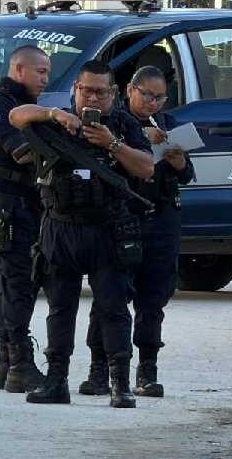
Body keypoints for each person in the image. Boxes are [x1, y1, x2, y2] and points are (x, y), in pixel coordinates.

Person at [9, 60, 154, 408]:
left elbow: (147, 168)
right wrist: (54, 115)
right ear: (75, 88)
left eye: (101, 92)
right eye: (86, 90)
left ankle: (120, 385)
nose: (92, 98)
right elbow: (16, 116)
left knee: (114, 309)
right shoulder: (57, 119)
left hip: (108, 228)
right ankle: (56, 381)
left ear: (113, 93)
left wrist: (112, 144)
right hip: (61, 227)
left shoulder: (123, 125)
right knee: (60, 309)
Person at [78, 65, 194, 398]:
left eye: (159, 98)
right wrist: (140, 140)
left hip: (162, 219)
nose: (152, 103)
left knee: (153, 298)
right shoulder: (113, 122)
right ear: (130, 90)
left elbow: (187, 175)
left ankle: (148, 369)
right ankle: (99, 369)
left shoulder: (167, 125)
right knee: (109, 297)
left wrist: (177, 160)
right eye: (147, 95)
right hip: (122, 218)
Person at [0, 45, 50, 393]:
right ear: (18, 70)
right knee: (17, 282)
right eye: (40, 72)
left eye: (47, 73)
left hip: (20, 204)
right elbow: (21, 152)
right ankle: (19, 363)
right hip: (6, 205)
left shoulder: (22, 106)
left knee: (15, 282)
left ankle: (8, 363)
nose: (45, 80)